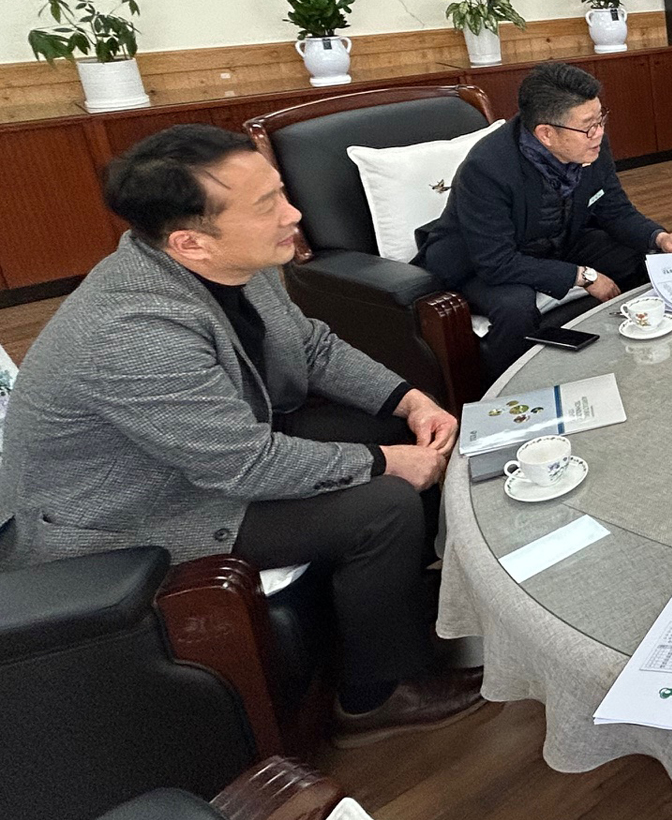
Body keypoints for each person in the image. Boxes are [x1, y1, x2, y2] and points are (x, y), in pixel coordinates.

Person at [0, 124, 483, 746]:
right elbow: (244, 468)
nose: (295, 213)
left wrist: (410, 401)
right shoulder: (132, 331)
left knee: (399, 433)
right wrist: (386, 463)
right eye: (269, 206)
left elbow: (311, 346)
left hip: (207, 454)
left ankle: (387, 604)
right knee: (383, 502)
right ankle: (374, 696)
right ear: (190, 242)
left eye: (280, 191)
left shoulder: (236, 261)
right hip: (130, 514)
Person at [416, 60, 672, 372]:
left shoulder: (590, 144)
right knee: (515, 306)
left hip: (555, 242)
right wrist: (583, 276)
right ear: (546, 134)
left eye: (601, 119)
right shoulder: (487, 169)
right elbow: (496, 262)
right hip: (478, 262)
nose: (599, 133)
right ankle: (509, 393)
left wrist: (659, 236)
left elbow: (614, 209)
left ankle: (633, 357)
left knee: (642, 256)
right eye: (589, 125)